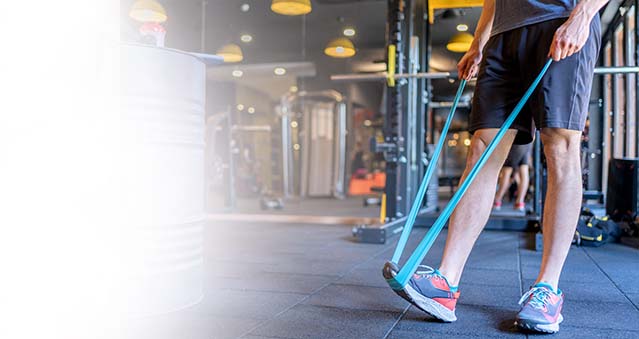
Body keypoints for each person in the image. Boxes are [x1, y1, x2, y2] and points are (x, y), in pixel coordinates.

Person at [390, 0, 605, 333]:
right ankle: (447, 280)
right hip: (503, 36)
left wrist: (584, 15)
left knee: (560, 147)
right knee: (481, 149)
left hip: (561, 19)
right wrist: (479, 41)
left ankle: (548, 288)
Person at [494, 143, 532, 212]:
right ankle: (520, 202)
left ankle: (497, 200)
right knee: (524, 170)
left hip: (517, 139)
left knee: (507, 171)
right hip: (528, 141)